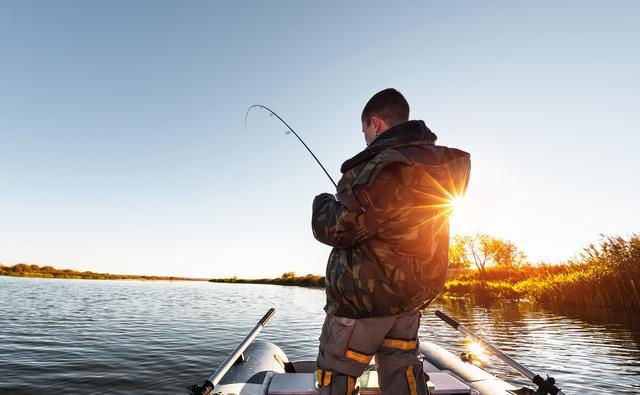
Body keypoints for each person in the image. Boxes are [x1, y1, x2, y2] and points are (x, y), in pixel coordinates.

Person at [311, 88, 471, 395]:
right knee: (402, 368)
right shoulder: (440, 165)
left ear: (375, 123)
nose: (365, 138)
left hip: (364, 301)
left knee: (336, 373)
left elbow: (337, 227)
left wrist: (322, 203)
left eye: (364, 131)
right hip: (410, 299)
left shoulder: (378, 164)